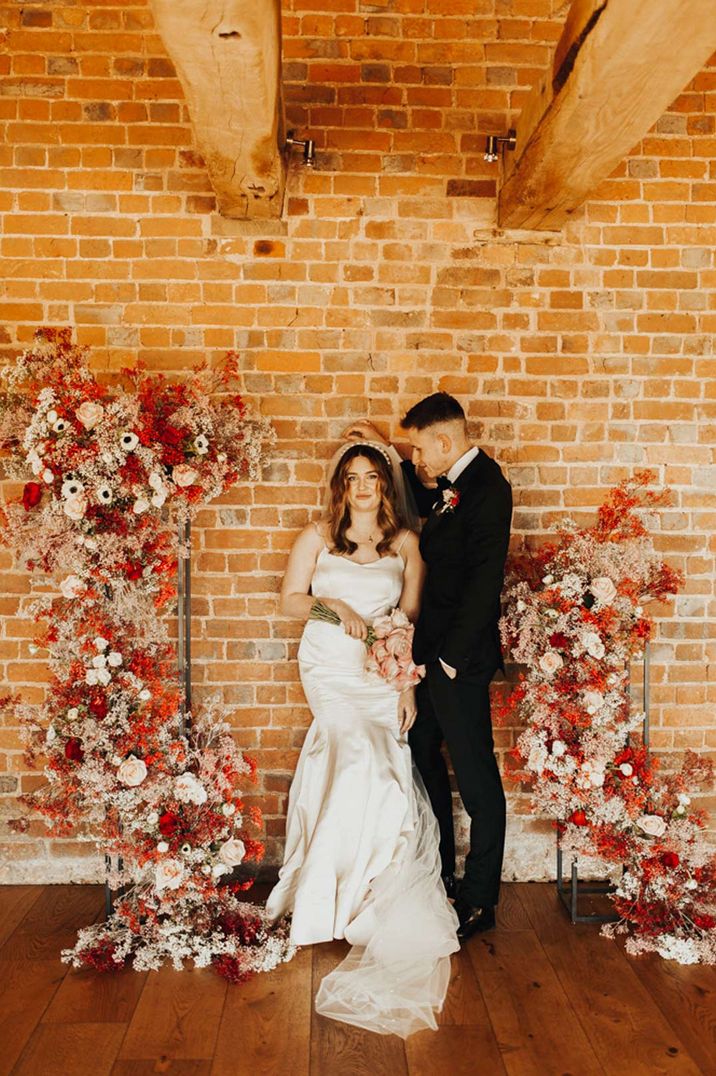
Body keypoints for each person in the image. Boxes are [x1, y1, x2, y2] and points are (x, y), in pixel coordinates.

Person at [265, 440, 459, 1038]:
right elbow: (290, 598)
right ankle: (324, 899)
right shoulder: (318, 535)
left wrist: (404, 685)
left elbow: (410, 618)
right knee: (350, 756)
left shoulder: (405, 543)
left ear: (386, 484)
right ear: (341, 486)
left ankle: (367, 900)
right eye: (353, 478)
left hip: (380, 674)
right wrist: (333, 606)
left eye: (373, 476)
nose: (364, 486)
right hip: (329, 666)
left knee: (381, 764)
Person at [345, 394, 512, 941]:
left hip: (457, 663)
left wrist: (446, 661)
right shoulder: (452, 483)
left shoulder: (489, 488)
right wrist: (385, 452)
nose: (417, 457)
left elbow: (484, 585)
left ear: (444, 442)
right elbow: (423, 493)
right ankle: (438, 874)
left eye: (420, 447)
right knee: (423, 761)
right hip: (427, 662)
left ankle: (480, 900)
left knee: (477, 778)